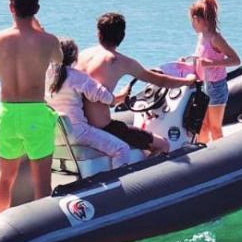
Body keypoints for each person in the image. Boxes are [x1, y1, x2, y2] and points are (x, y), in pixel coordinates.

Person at [0, 0, 62, 214]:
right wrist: (40, 28)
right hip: (36, 114)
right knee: (41, 182)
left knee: (5, 178)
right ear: (37, 9)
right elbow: (59, 62)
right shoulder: (48, 41)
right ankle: (41, 227)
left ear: (11, 8)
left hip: (8, 112)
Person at [77, 12, 194, 153]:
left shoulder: (83, 55)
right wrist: (188, 81)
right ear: (122, 36)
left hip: (81, 124)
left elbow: (94, 96)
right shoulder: (119, 61)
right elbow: (161, 80)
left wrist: (121, 97)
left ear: (99, 34)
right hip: (104, 128)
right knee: (163, 145)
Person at [46, 39, 138, 168]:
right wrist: (121, 97)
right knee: (121, 149)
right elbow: (105, 97)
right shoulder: (78, 77)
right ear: (74, 58)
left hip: (53, 134)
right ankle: (116, 185)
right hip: (77, 132)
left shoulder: (44, 76)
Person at [189, 0, 241, 143]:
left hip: (216, 87)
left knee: (215, 128)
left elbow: (236, 60)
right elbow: (201, 58)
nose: (192, 24)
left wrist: (210, 63)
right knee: (203, 126)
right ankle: (201, 153)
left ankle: (223, 160)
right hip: (204, 86)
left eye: (193, 20)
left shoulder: (216, 38)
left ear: (200, 20)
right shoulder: (201, 37)